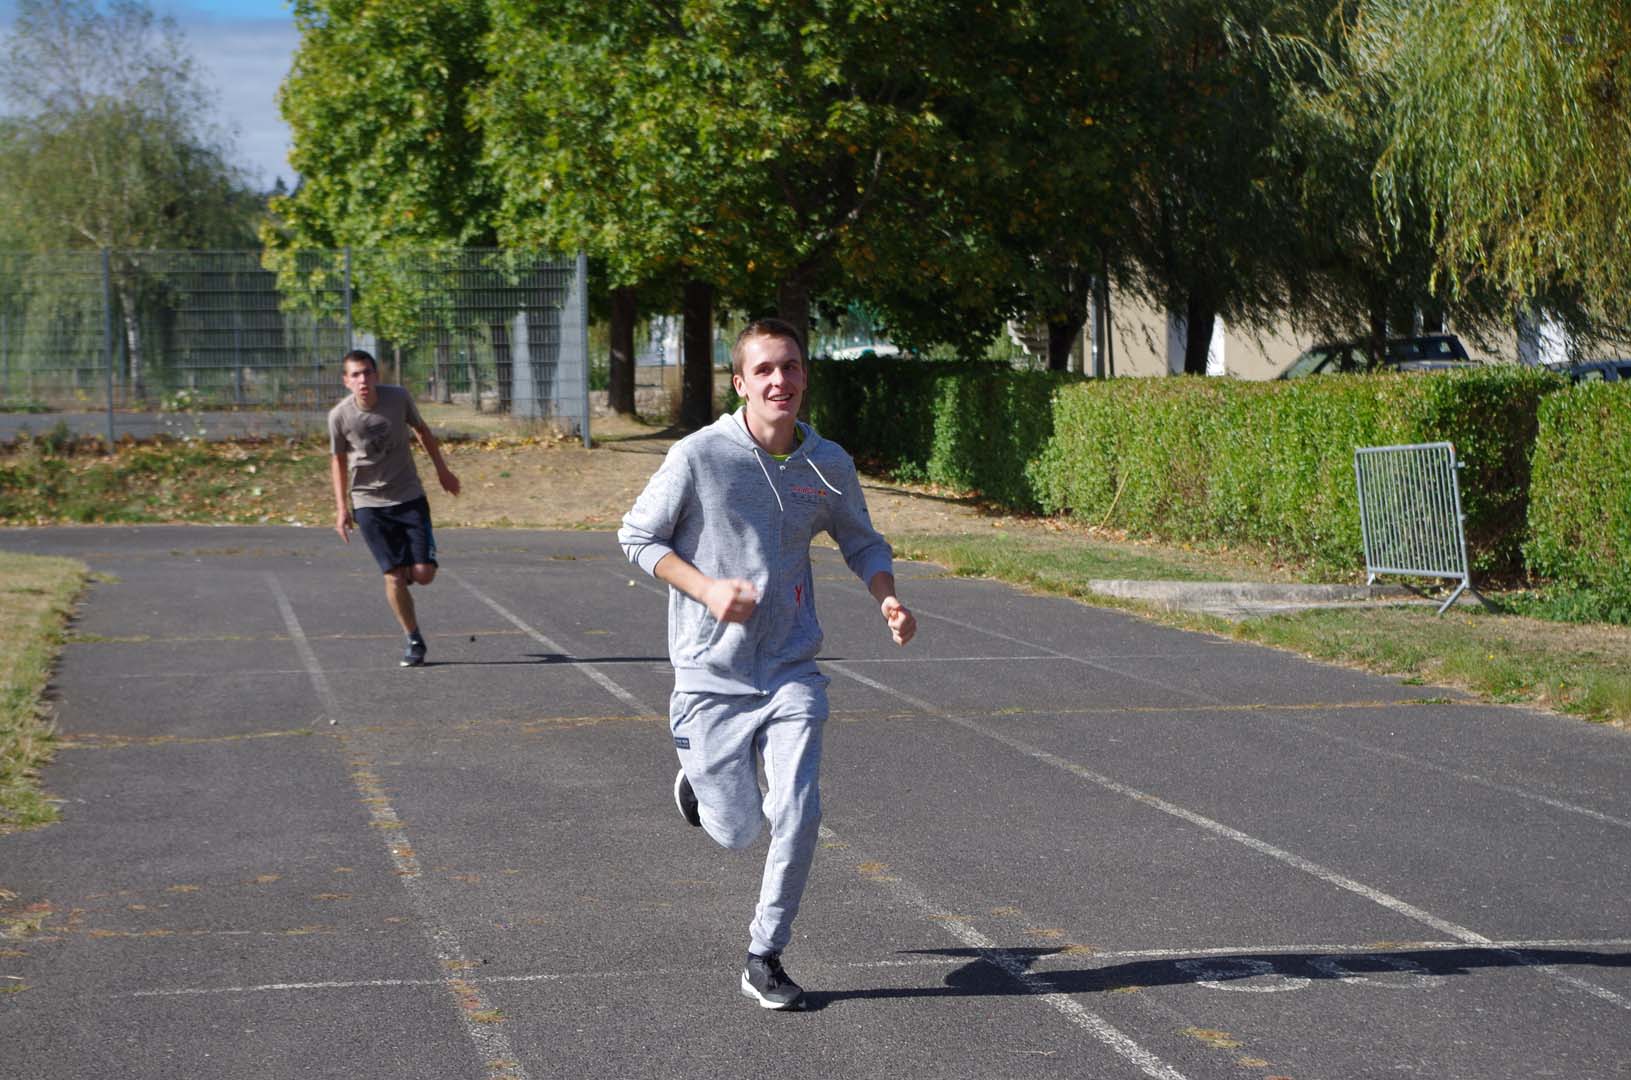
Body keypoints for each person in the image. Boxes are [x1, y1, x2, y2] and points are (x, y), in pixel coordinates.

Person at [618, 318, 916, 1010]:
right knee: (736, 831)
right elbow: (636, 536)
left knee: (800, 809)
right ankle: (698, 784)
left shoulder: (827, 464)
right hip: (709, 672)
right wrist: (707, 590)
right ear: (739, 382)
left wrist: (887, 596)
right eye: (764, 371)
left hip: (790, 667)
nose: (778, 381)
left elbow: (861, 542)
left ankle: (765, 954)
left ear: (804, 375)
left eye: (790, 367)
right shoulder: (700, 456)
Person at [329, 349, 461, 666]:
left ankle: (409, 569)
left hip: (408, 495)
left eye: (367, 373)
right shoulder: (339, 416)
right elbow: (337, 460)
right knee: (394, 577)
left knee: (423, 573)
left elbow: (423, 431)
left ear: (376, 375)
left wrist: (442, 470)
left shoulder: (398, 398)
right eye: (355, 375)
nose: (363, 380)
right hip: (368, 503)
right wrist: (341, 507)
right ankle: (414, 639)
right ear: (346, 381)